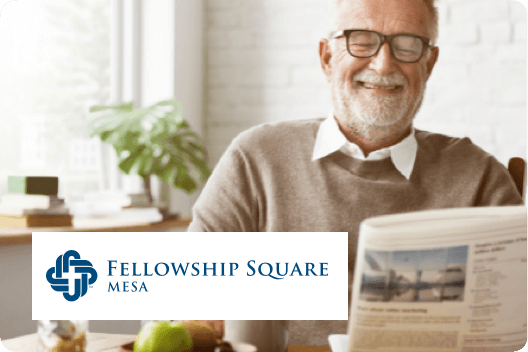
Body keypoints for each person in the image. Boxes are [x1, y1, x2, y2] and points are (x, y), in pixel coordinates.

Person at [188, 0, 523, 346]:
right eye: (361, 41)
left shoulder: (478, 175)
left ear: (429, 63)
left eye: (408, 44)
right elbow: (189, 298)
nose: (382, 64)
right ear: (327, 58)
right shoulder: (255, 158)